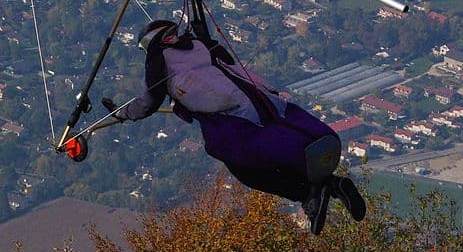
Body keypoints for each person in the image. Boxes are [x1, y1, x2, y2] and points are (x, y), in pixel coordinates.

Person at [104, 19, 366, 235]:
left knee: (246, 167)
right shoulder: (197, 43)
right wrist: (204, 38)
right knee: (277, 145)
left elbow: (149, 102)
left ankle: (307, 193)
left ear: (150, 44)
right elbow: (225, 60)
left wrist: (123, 113)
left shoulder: (159, 59)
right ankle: (329, 184)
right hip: (263, 100)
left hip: (233, 116)